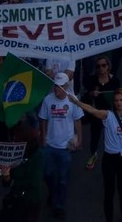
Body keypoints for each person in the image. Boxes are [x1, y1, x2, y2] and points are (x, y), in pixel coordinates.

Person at [70, 88, 122, 222]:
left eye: (121, 100)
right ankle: (109, 219)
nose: (119, 103)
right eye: (116, 100)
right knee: (109, 192)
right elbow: (92, 110)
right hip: (110, 158)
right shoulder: (108, 115)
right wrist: (77, 102)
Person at [37, 72, 82, 220]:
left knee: (63, 178)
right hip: (50, 144)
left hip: (65, 147)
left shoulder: (73, 100)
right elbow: (42, 120)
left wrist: (79, 139)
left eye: (59, 86)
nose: (56, 89)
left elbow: (77, 121)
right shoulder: (47, 100)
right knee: (47, 174)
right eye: (55, 86)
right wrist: (43, 138)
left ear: (66, 87)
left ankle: (59, 206)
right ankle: (53, 193)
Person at [81, 54, 121, 172]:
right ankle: (93, 155)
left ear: (108, 66)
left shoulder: (115, 80)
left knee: (113, 135)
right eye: (98, 66)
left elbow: (120, 96)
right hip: (96, 113)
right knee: (95, 136)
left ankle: (115, 155)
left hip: (111, 113)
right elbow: (85, 95)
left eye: (104, 65)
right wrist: (91, 94)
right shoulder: (92, 80)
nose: (101, 68)